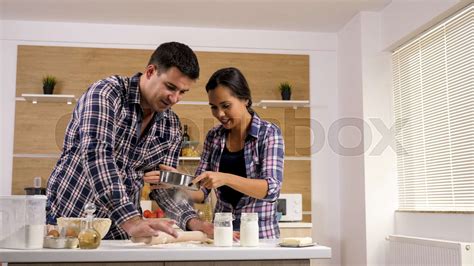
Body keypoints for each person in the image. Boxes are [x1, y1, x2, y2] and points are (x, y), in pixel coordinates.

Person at [46, 42, 212, 240]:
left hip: (120, 232)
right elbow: (97, 156)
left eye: (182, 92)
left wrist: (195, 222)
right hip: (70, 222)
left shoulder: (171, 125)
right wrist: (132, 220)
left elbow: (162, 188)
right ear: (150, 71)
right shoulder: (106, 94)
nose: (175, 98)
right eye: (170, 87)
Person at [146, 67, 284, 238]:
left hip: (260, 236)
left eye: (226, 106)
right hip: (222, 233)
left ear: (245, 100)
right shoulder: (214, 136)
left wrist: (225, 178)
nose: (220, 114)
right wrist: (176, 181)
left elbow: (271, 189)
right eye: (214, 107)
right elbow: (200, 192)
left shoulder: (269, 133)